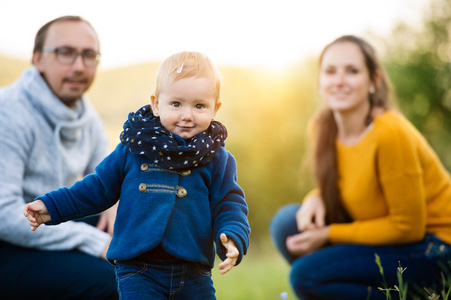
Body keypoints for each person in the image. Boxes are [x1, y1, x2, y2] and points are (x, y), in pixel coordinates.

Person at [24, 51, 251, 300]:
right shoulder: (135, 148)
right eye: (176, 104)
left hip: (194, 272)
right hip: (139, 270)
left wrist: (233, 235)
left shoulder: (216, 158)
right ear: (156, 104)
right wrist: (52, 206)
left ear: (215, 108)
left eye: (199, 106)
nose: (187, 115)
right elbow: (97, 188)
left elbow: (229, 203)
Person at [270, 35, 451, 299]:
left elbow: (407, 227)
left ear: (373, 82)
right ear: (320, 82)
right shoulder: (322, 128)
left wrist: (329, 234)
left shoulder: (390, 133)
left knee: (306, 276)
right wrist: (317, 195)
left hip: (435, 247)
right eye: (330, 71)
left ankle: (415, 294)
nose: (340, 81)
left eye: (352, 71)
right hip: (393, 237)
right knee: (287, 224)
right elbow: (354, 182)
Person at [0, 16, 118, 299]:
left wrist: (117, 204)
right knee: (113, 281)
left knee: (146, 256)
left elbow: (108, 177)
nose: (79, 66)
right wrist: (94, 240)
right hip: (7, 244)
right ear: (38, 59)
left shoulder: (85, 115)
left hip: (49, 227)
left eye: (89, 55)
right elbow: (4, 216)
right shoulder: (9, 112)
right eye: (65, 52)